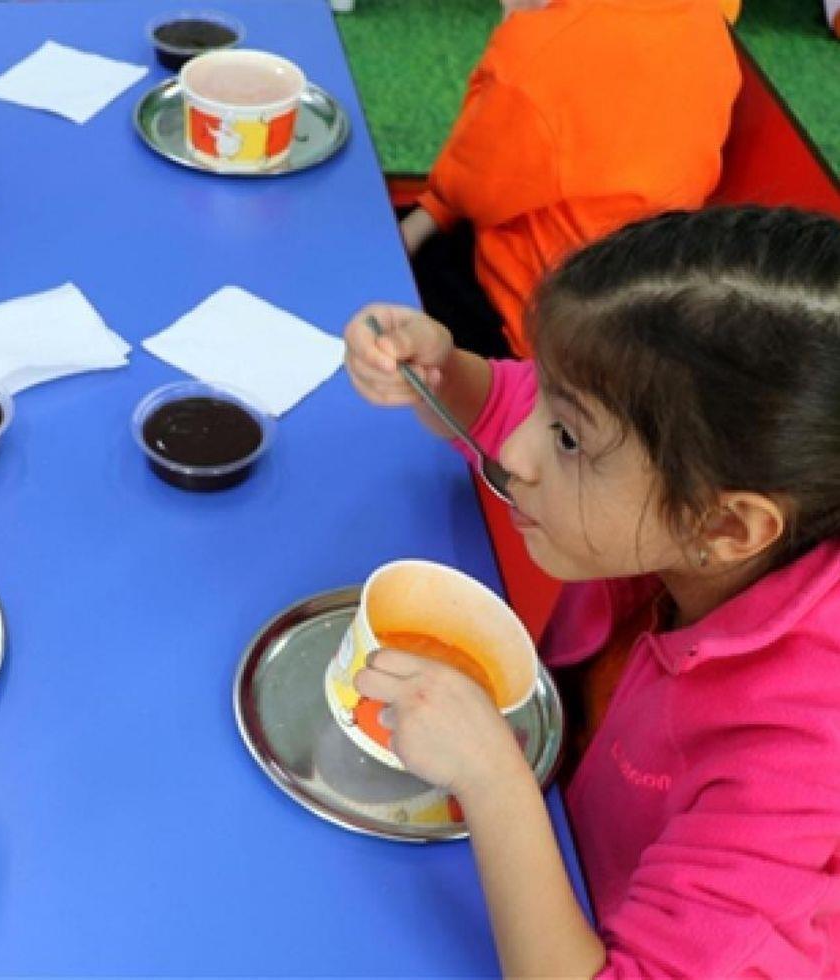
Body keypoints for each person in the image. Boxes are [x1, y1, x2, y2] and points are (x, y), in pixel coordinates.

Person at [345, 206, 840, 975]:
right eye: (550, 399)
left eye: (567, 437)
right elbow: (524, 406)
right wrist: (448, 376)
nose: (516, 451)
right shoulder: (712, 507)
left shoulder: (800, 759)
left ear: (727, 526)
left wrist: (493, 780)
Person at [401, 0, 739, 358]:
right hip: (631, 321)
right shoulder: (705, 20)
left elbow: (468, 190)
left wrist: (515, 27)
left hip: (526, 325)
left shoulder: (541, 53)